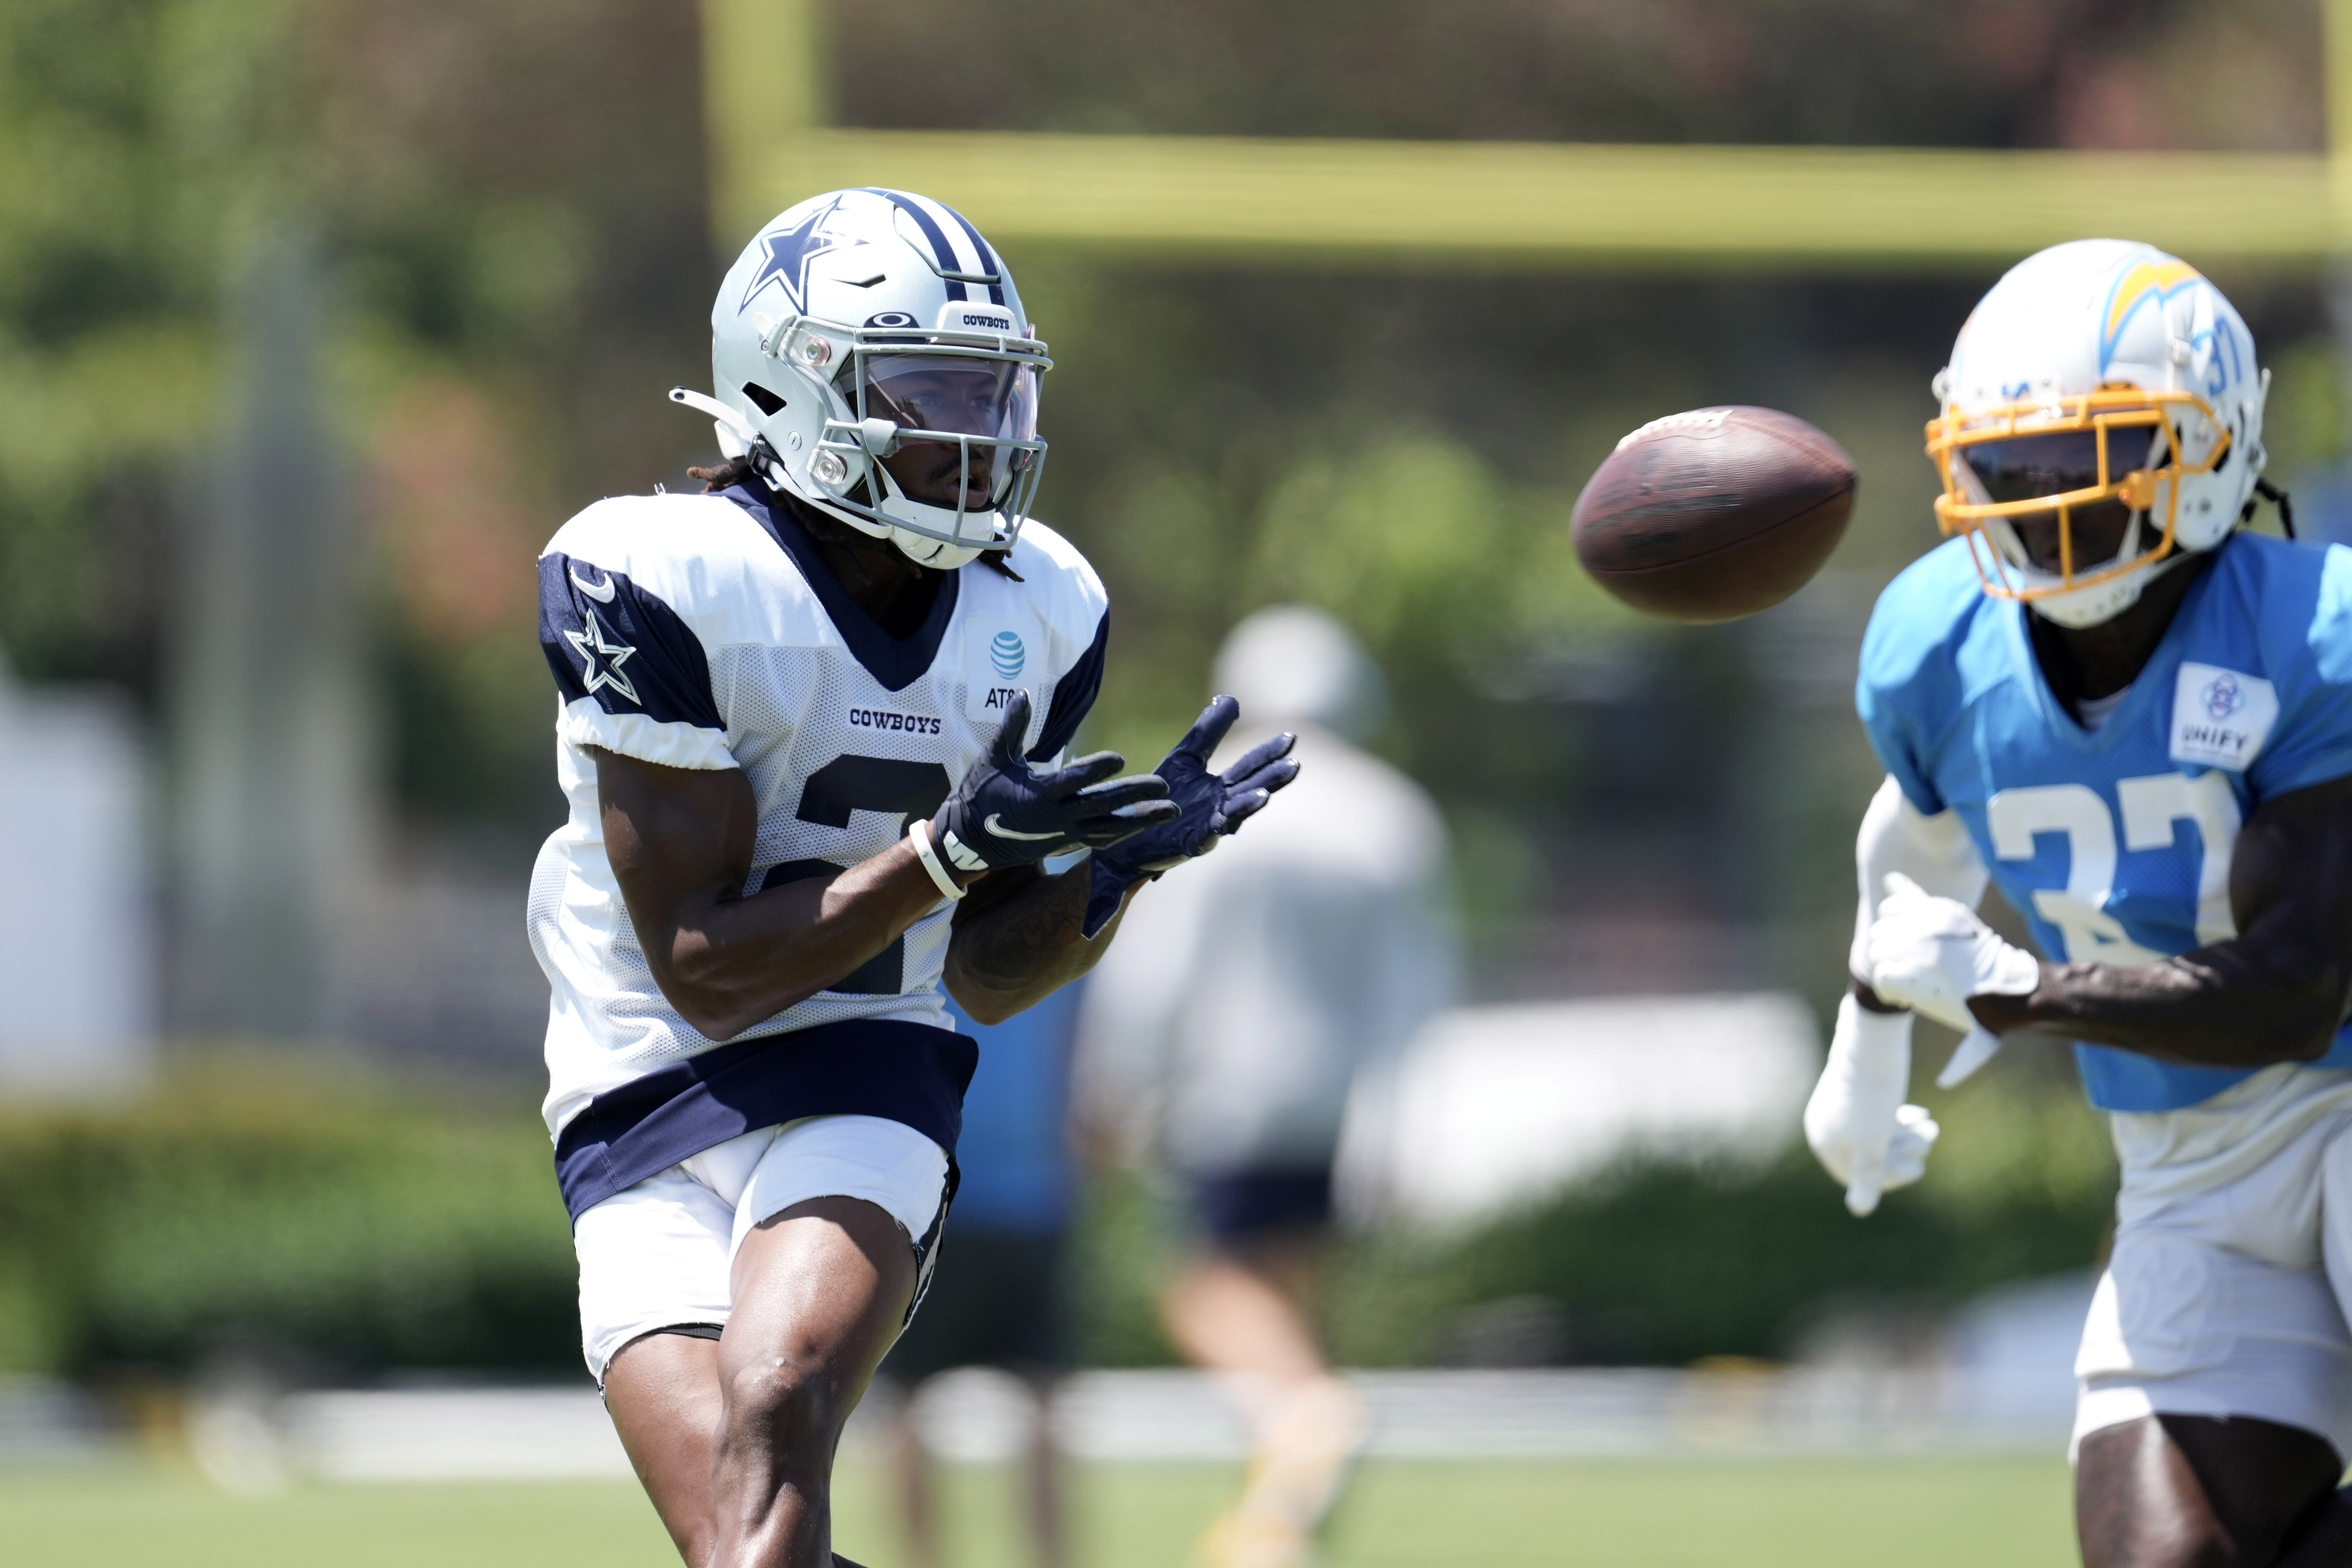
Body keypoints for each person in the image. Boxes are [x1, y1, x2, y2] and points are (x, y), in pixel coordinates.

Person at [526, 186, 1299, 1568]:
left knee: (777, 1400)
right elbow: (705, 976)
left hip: (864, 1063)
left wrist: (1105, 882)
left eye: (990, 394)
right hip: (641, 1078)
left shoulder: (1039, 607)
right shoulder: (661, 575)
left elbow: (992, 977)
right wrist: (943, 853)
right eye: (929, 389)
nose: (972, 435)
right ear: (786, 381)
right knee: (740, 1543)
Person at [1803, 238, 2352, 1568]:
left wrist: (2014, 991)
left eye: (2091, 464)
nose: (2049, 505)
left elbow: (2290, 992)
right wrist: (1861, 1058)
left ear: (2210, 451)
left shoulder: (2312, 634)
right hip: (2181, 1165)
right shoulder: (1934, 645)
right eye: (2013, 470)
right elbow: (1915, 850)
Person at [1077, 605, 1454, 1568]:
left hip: (1227, 1096)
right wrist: (1398, 1126)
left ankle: (1315, 1419)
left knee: (1205, 1290)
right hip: (1338, 1106)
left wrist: (1116, 1082)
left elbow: (1157, 966)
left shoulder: (1223, 797)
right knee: (1284, 1301)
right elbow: (1417, 993)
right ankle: (1275, 1528)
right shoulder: (1395, 814)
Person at [878, 984, 1083, 1568]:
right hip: (1025, 1194)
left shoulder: (918, 916)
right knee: (1040, 1400)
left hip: (936, 1189)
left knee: (903, 1402)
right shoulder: (1063, 913)